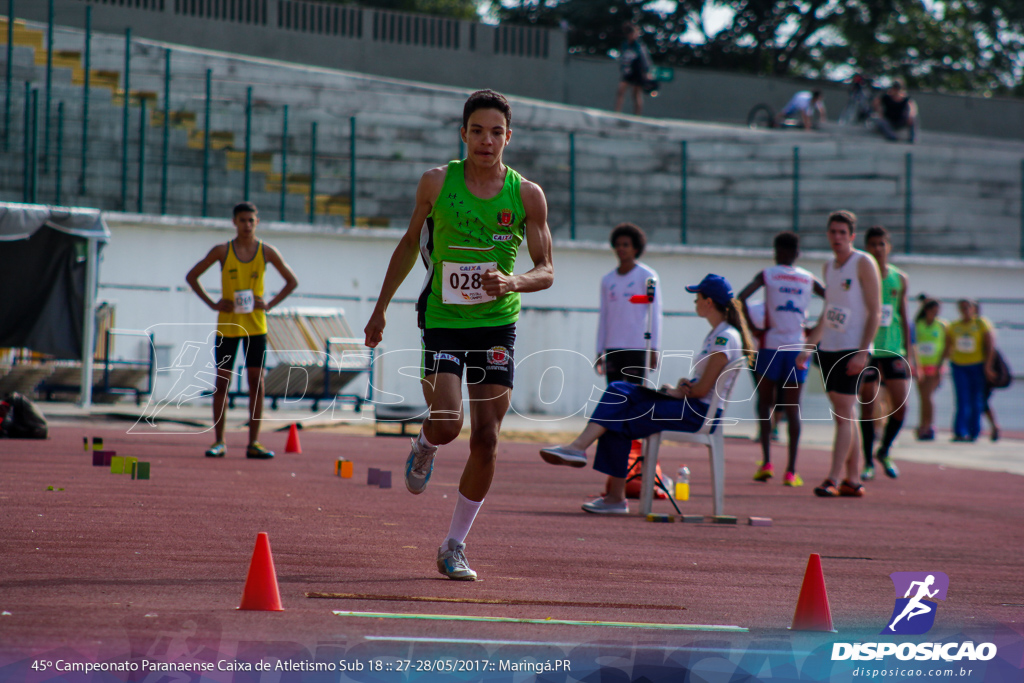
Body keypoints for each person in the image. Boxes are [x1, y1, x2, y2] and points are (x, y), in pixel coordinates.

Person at [363, 90, 554, 581]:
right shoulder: (436, 183)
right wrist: (379, 310)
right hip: (444, 320)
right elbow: (409, 245)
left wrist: (512, 280)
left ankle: (454, 545)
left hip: (496, 324)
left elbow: (546, 269)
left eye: (496, 132)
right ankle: (425, 443)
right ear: (463, 133)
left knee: (487, 438)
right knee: (449, 423)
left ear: (508, 137)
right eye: (477, 131)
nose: (486, 140)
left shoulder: (527, 195)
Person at [538, 274, 754, 515]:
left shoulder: (725, 337)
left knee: (618, 416)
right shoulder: (719, 334)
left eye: (697, 297)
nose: (695, 302)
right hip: (691, 406)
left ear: (709, 302)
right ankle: (583, 456)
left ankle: (605, 484)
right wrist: (684, 384)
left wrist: (678, 391)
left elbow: (703, 390)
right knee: (618, 389)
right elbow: (702, 384)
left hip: (696, 413)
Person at [185, 201, 299, 459]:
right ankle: (219, 442)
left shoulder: (266, 252)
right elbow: (192, 276)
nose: (247, 225)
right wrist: (213, 302)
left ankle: (254, 442)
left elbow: (292, 281)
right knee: (222, 383)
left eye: (251, 220)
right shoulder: (222, 251)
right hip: (227, 326)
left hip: (256, 326)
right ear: (234, 222)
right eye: (242, 220)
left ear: (257, 222)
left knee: (256, 383)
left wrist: (269, 303)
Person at [798, 210, 881, 498]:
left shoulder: (863, 262)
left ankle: (833, 477)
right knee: (844, 414)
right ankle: (853, 479)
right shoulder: (828, 268)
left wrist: (862, 352)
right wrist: (809, 347)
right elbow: (829, 312)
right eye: (832, 232)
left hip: (852, 349)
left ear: (852, 236)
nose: (836, 238)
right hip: (829, 348)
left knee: (845, 413)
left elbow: (875, 310)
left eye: (842, 233)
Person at [738, 231, 825, 487]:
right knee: (793, 408)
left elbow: (740, 299)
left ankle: (766, 462)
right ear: (798, 254)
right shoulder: (808, 278)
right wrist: (814, 331)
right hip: (797, 348)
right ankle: (791, 471)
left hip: (770, 346)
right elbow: (833, 301)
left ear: (776, 252)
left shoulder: (768, 274)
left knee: (765, 404)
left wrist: (753, 330)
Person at [858, 226, 914, 480]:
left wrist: (910, 354)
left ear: (888, 247)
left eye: (882, 244)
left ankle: (885, 450)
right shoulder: (862, 275)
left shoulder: (900, 278)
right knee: (868, 406)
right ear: (866, 247)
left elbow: (903, 315)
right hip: (868, 349)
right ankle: (868, 461)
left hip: (893, 350)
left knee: (901, 406)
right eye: (873, 244)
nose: (878, 249)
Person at [595, 223, 662, 386]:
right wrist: (599, 350)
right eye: (617, 245)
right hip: (613, 347)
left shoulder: (647, 276)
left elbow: (655, 313)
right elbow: (604, 315)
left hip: (637, 347)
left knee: (635, 395)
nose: (621, 249)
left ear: (636, 248)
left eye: (626, 245)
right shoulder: (607, 280)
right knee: (614, 394)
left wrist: (654, 348)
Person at [943, 299, 996, 442]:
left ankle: (974, 432)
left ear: (973, 309)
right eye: (962, 308)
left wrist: (988, 366)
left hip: (977, 365)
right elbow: (947, 346)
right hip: (959, 365)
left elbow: (991, 345)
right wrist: (939, 364)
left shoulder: (981, 324)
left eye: (968, 307)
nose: (965, 310)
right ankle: (960, 431)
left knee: (976, 399)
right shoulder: (954, 326)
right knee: (962, 399)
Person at [913, 297, 946, 441]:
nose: (935, 313)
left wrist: (940, 365)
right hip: (921, 365)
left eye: (937, 311)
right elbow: (913, 344)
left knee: (928, 396)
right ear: (926, 310)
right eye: (933, 311)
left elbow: (946, 346)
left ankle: (929, 425)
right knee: (922, 397)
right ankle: (922, 424)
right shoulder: (917, 324)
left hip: (935, 365)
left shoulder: (942, 325)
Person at [613, 23, 653, 116]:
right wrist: (623, 68)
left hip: (637, 71)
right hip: (628, 71)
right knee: (621, 90)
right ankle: (617, 112)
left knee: (636, 94)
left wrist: (647, 71)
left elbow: (645, 59)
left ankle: (637, 115)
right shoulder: (625, 45)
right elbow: (623, 58)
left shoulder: (639, 45)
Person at [873, 79, 917, 143]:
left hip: (900, 121)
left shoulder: (906, 99)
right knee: (881, 121)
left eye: (898, 88)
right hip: (889, 121)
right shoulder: (886, 97)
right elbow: (875, 102)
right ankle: (892, 136)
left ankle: (913, 138)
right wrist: (879, 111)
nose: (896, 90)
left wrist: (910, 115)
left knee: (913, 119)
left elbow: (912, 108)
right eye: (895, 88)